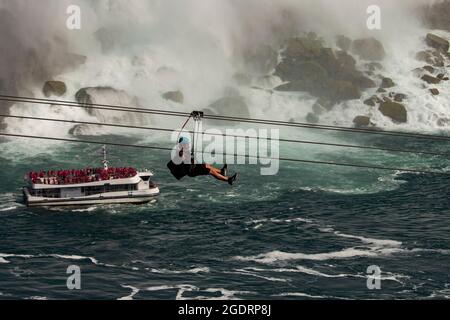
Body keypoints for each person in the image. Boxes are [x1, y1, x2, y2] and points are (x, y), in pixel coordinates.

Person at [167, 137, 238, 185]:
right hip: (191, 170)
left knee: (206, 165)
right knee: (210, 171)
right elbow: (184, 160)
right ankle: (228, 179)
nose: (188, 144)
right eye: (187, 143)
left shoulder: (184, 150)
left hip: (193, 166)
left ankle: (221, 171)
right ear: (183, 144)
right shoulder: (181, 152)